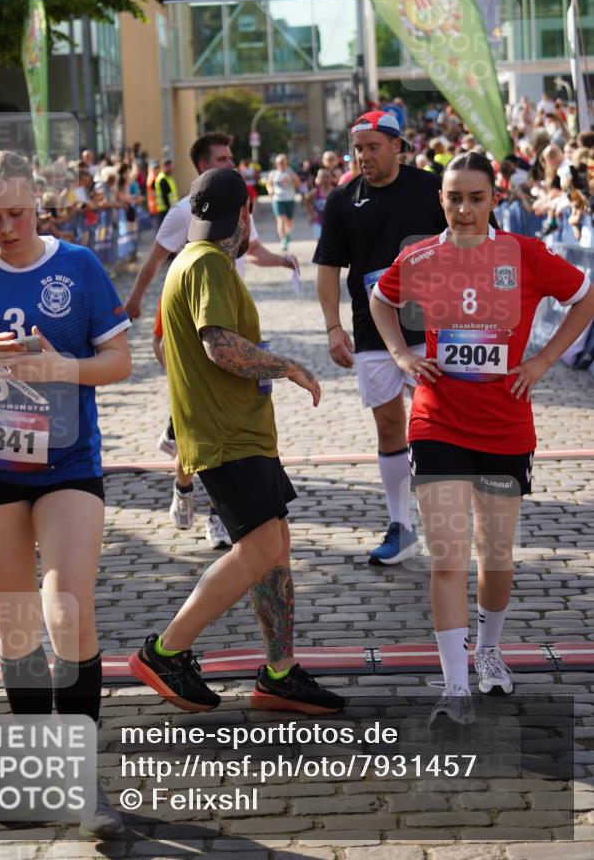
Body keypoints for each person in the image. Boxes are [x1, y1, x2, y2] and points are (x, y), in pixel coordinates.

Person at [0, 150, 132, 836]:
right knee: (16, 622)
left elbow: (120, 361)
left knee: (66, 608)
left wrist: (61, 366)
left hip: (68, 462)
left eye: (15, 213)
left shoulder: (77, 266)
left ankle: (84, 785)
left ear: (38, 202)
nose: (4, 227)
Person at [370, 151, 594, 724]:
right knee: (448, 556)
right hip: (438, 421)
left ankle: (489, 651)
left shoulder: (523, 254)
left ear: (494, 199)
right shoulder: (421, 256)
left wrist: (543, 361)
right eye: (453, 198)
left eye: (475, 198)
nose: (463, 209)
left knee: (495, 559)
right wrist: (400, 354)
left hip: (505, 427)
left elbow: (584, 296)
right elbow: (380, 299)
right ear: (440, 200)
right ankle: (454, 687)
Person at [128, 167, 345, 716]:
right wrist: (287, 364)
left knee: (275, 550)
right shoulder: (206, 265)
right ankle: (165, 651)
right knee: (261, 549)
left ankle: (279, 673)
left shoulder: (195, 260)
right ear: (246, 214)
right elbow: (219, 346)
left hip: (239, 431)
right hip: (226, 434)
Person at [125, 132, 300, 549]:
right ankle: (190, 487)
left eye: (231, 155)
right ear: (203, 166)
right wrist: (132, 302)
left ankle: (209, 505)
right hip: (188, 318)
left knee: (205, 416)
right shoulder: (183, 217)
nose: (230, 162)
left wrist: (282, 260)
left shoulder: (241, 207)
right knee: (193, 413)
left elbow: (252, 249)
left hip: (224, 313)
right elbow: (154, 262)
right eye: (221, 158)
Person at [314, 110, 445, 565]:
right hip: (372, 330)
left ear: (396, 146)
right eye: (358, 148)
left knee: (439, 423)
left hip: (434, 326)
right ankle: (401, 527)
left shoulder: (433, 188)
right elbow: (328, 267)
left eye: (373, 146)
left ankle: (447, 519)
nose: (364, 156)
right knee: (389, 424)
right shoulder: (343, 198)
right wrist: (333, 327)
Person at [266, 153, 300, 250]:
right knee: (281, 219)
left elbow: (297, 184)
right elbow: (269, 184)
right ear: (276, 164)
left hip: (289, 199)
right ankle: (283, 241)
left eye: (283, 162)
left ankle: (287, 235)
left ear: (286, 163)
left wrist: (294, 181)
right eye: (279, 163)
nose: (281, 164)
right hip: (278, 199)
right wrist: (270, 191)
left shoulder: (290, 172)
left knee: (289, 222)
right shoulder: (273, 173)